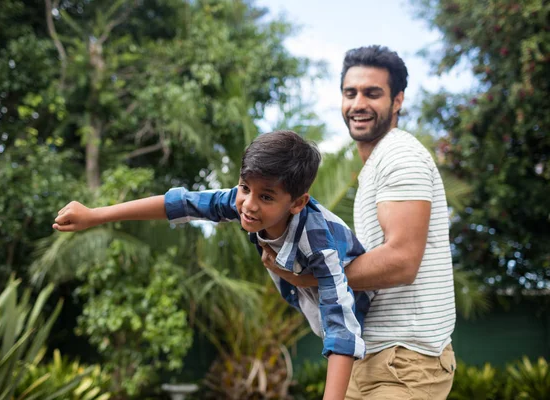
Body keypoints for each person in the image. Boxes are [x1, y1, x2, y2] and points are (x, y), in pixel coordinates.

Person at [52, 130, 371, 400]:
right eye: (246, 188)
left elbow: (342, 327)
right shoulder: (242, 201)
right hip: (316, 307)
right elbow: (180, 204)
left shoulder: (318, 244)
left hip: (365, 317)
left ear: (298, 202)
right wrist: (95, 215)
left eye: (267, 198)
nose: (248, 205)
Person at [261, 46, 457, 399]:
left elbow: (401, 261)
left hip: (405, 361)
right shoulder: (375, 165)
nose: (358, 103)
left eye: (372, 93)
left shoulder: (401, 155)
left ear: (397, 101)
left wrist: (307, 278)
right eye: (350, 93)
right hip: (369, 356)